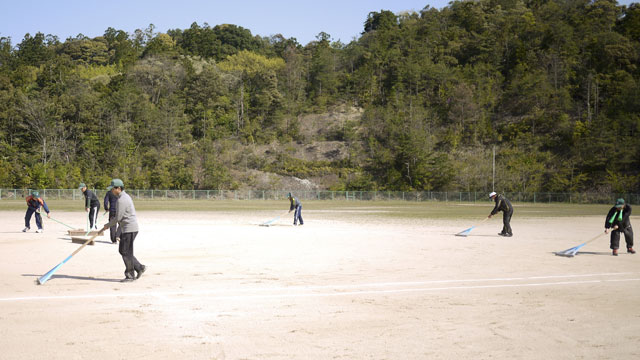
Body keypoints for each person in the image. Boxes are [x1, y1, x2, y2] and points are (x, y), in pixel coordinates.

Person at [100, 179, 146, 282]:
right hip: (127, 228)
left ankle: (130, 275)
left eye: (113, 189)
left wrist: (108, 225)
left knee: (125, 251)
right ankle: (139, 267)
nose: (111, 191)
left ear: (119, 188)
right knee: (124, 250)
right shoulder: (123, 197)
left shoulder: (122, 200)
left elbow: (118, 218)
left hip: (129, 229)